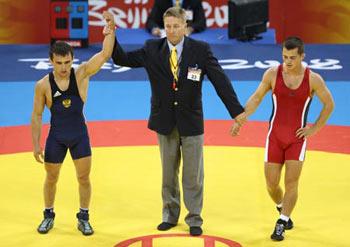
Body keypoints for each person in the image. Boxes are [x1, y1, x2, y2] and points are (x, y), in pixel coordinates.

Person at [111, 7, 245, 236]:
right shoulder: (152, 48)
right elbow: (122, 58)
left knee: (193, 174)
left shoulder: (200, 50)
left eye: (176, 26)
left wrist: (236, 111)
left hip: (191, 121)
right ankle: (170, 215)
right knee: (168, 173)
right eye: (168, 26)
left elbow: (219, 80)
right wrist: (111, 34)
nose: (171, 31)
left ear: (185, 26)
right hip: (164, 120)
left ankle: (194, 218)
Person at [232, 36, 334, 241]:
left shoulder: (313, 79)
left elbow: (329, 104)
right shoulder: (272, 74)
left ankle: (282, 221)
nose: (287, 62)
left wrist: (315, 129)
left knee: (291, 183)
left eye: (292, 58)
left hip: (297, 139)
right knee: (271, 184)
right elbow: (257, 97)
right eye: (285, 57)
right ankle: (282, 208)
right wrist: (242, 118)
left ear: (302, 56)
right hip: (275, 137)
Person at [31, 11, 115, 235]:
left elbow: (106, 54)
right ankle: (48, 215)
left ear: (72, 59)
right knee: (51, 177)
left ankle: (84, 217)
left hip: (79, 136)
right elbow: (37, 115)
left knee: (84, 178)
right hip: (56, 138)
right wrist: (35, 144)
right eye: (59, 63)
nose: (64, 67)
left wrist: (110, 30)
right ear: (51, 61)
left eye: (67, 62)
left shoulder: (81, 74)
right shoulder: (42, 85)